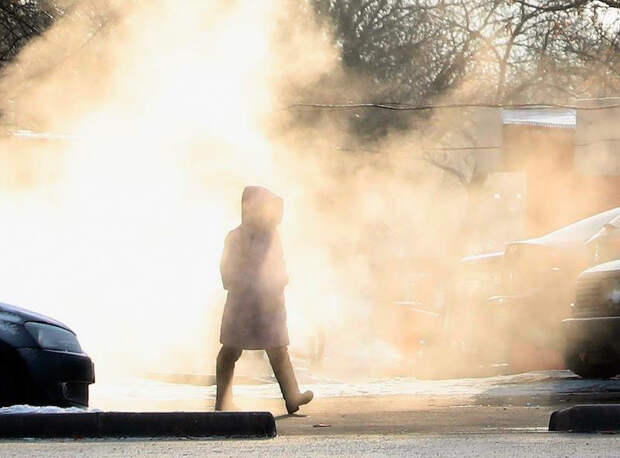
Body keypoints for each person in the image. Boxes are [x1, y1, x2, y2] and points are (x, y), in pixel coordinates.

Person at [215, 186, 313, 414]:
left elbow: (278, 264)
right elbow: (227, 271)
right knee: (230, 351)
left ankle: (292, 396)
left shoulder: (271, 235)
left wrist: (280, 280)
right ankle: (223, 402)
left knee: (278, 350)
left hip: (268, 303)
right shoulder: (236, 237)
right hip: (242, 303)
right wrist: (246, 283)